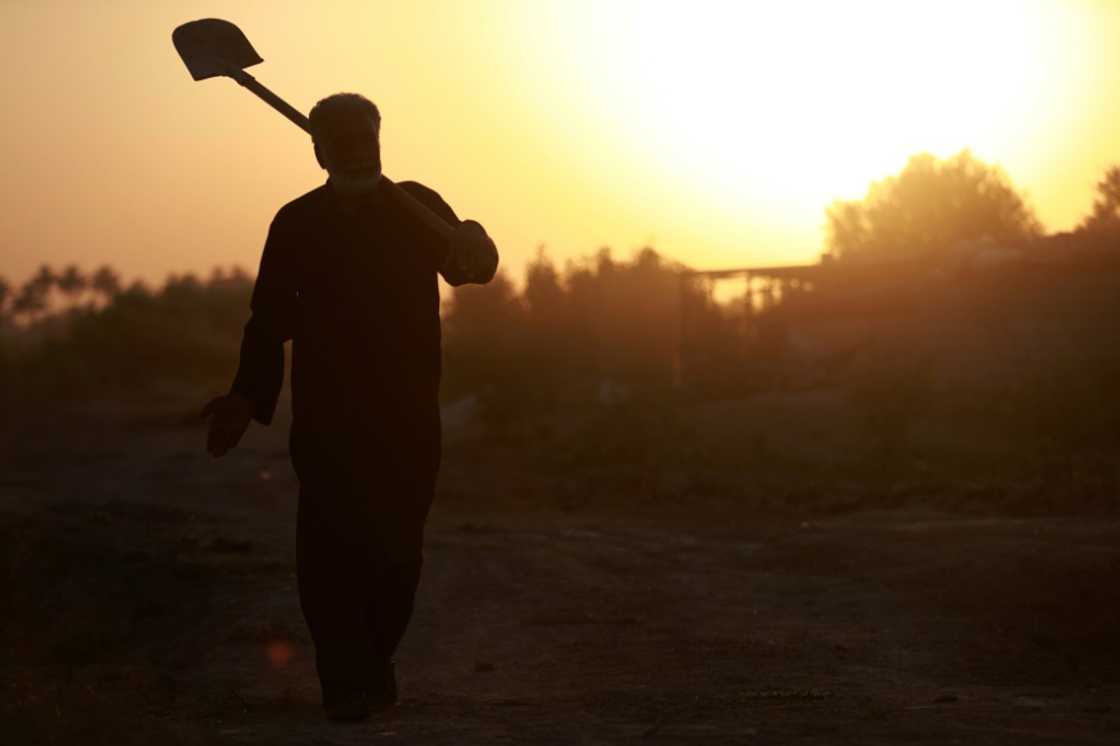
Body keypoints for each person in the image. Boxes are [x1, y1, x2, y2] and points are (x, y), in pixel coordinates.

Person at [201, 92, 498, 722]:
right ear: (319, 151)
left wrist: (476, 242)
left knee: (398, 552)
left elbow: (474, 269)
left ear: (380, 141)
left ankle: (372, 661)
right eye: (342, 141)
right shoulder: (297, 223)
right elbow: (267, 322)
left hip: (408, 415)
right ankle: (347, 682)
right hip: (328, 418)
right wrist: (245, 397)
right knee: (329, 554)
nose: (358, 150)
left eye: (367, 138)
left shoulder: (417, 206)